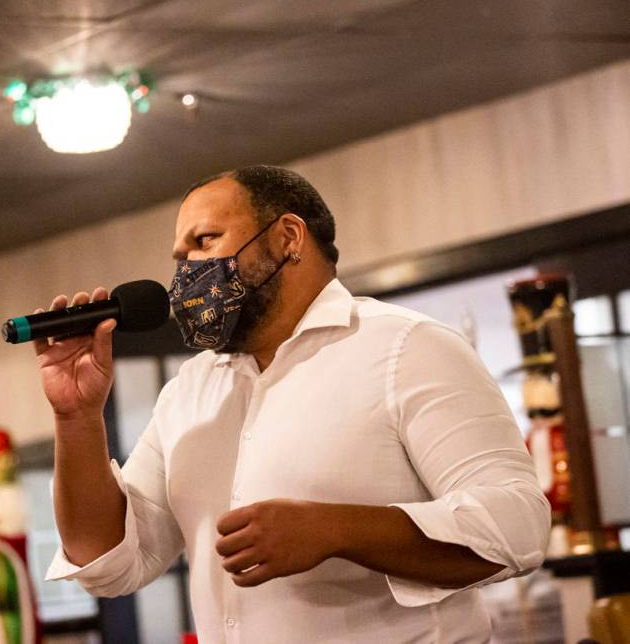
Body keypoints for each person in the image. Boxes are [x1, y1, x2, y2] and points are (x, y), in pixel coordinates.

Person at [33, 165, 550, 642]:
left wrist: (335, 529)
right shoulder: (190, 391)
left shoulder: (407, 348)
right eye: (181, 257)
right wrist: (75, 417)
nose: (187, 270)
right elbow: (109, 562)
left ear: (288, 238)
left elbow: (517, 526)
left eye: (205, 241)